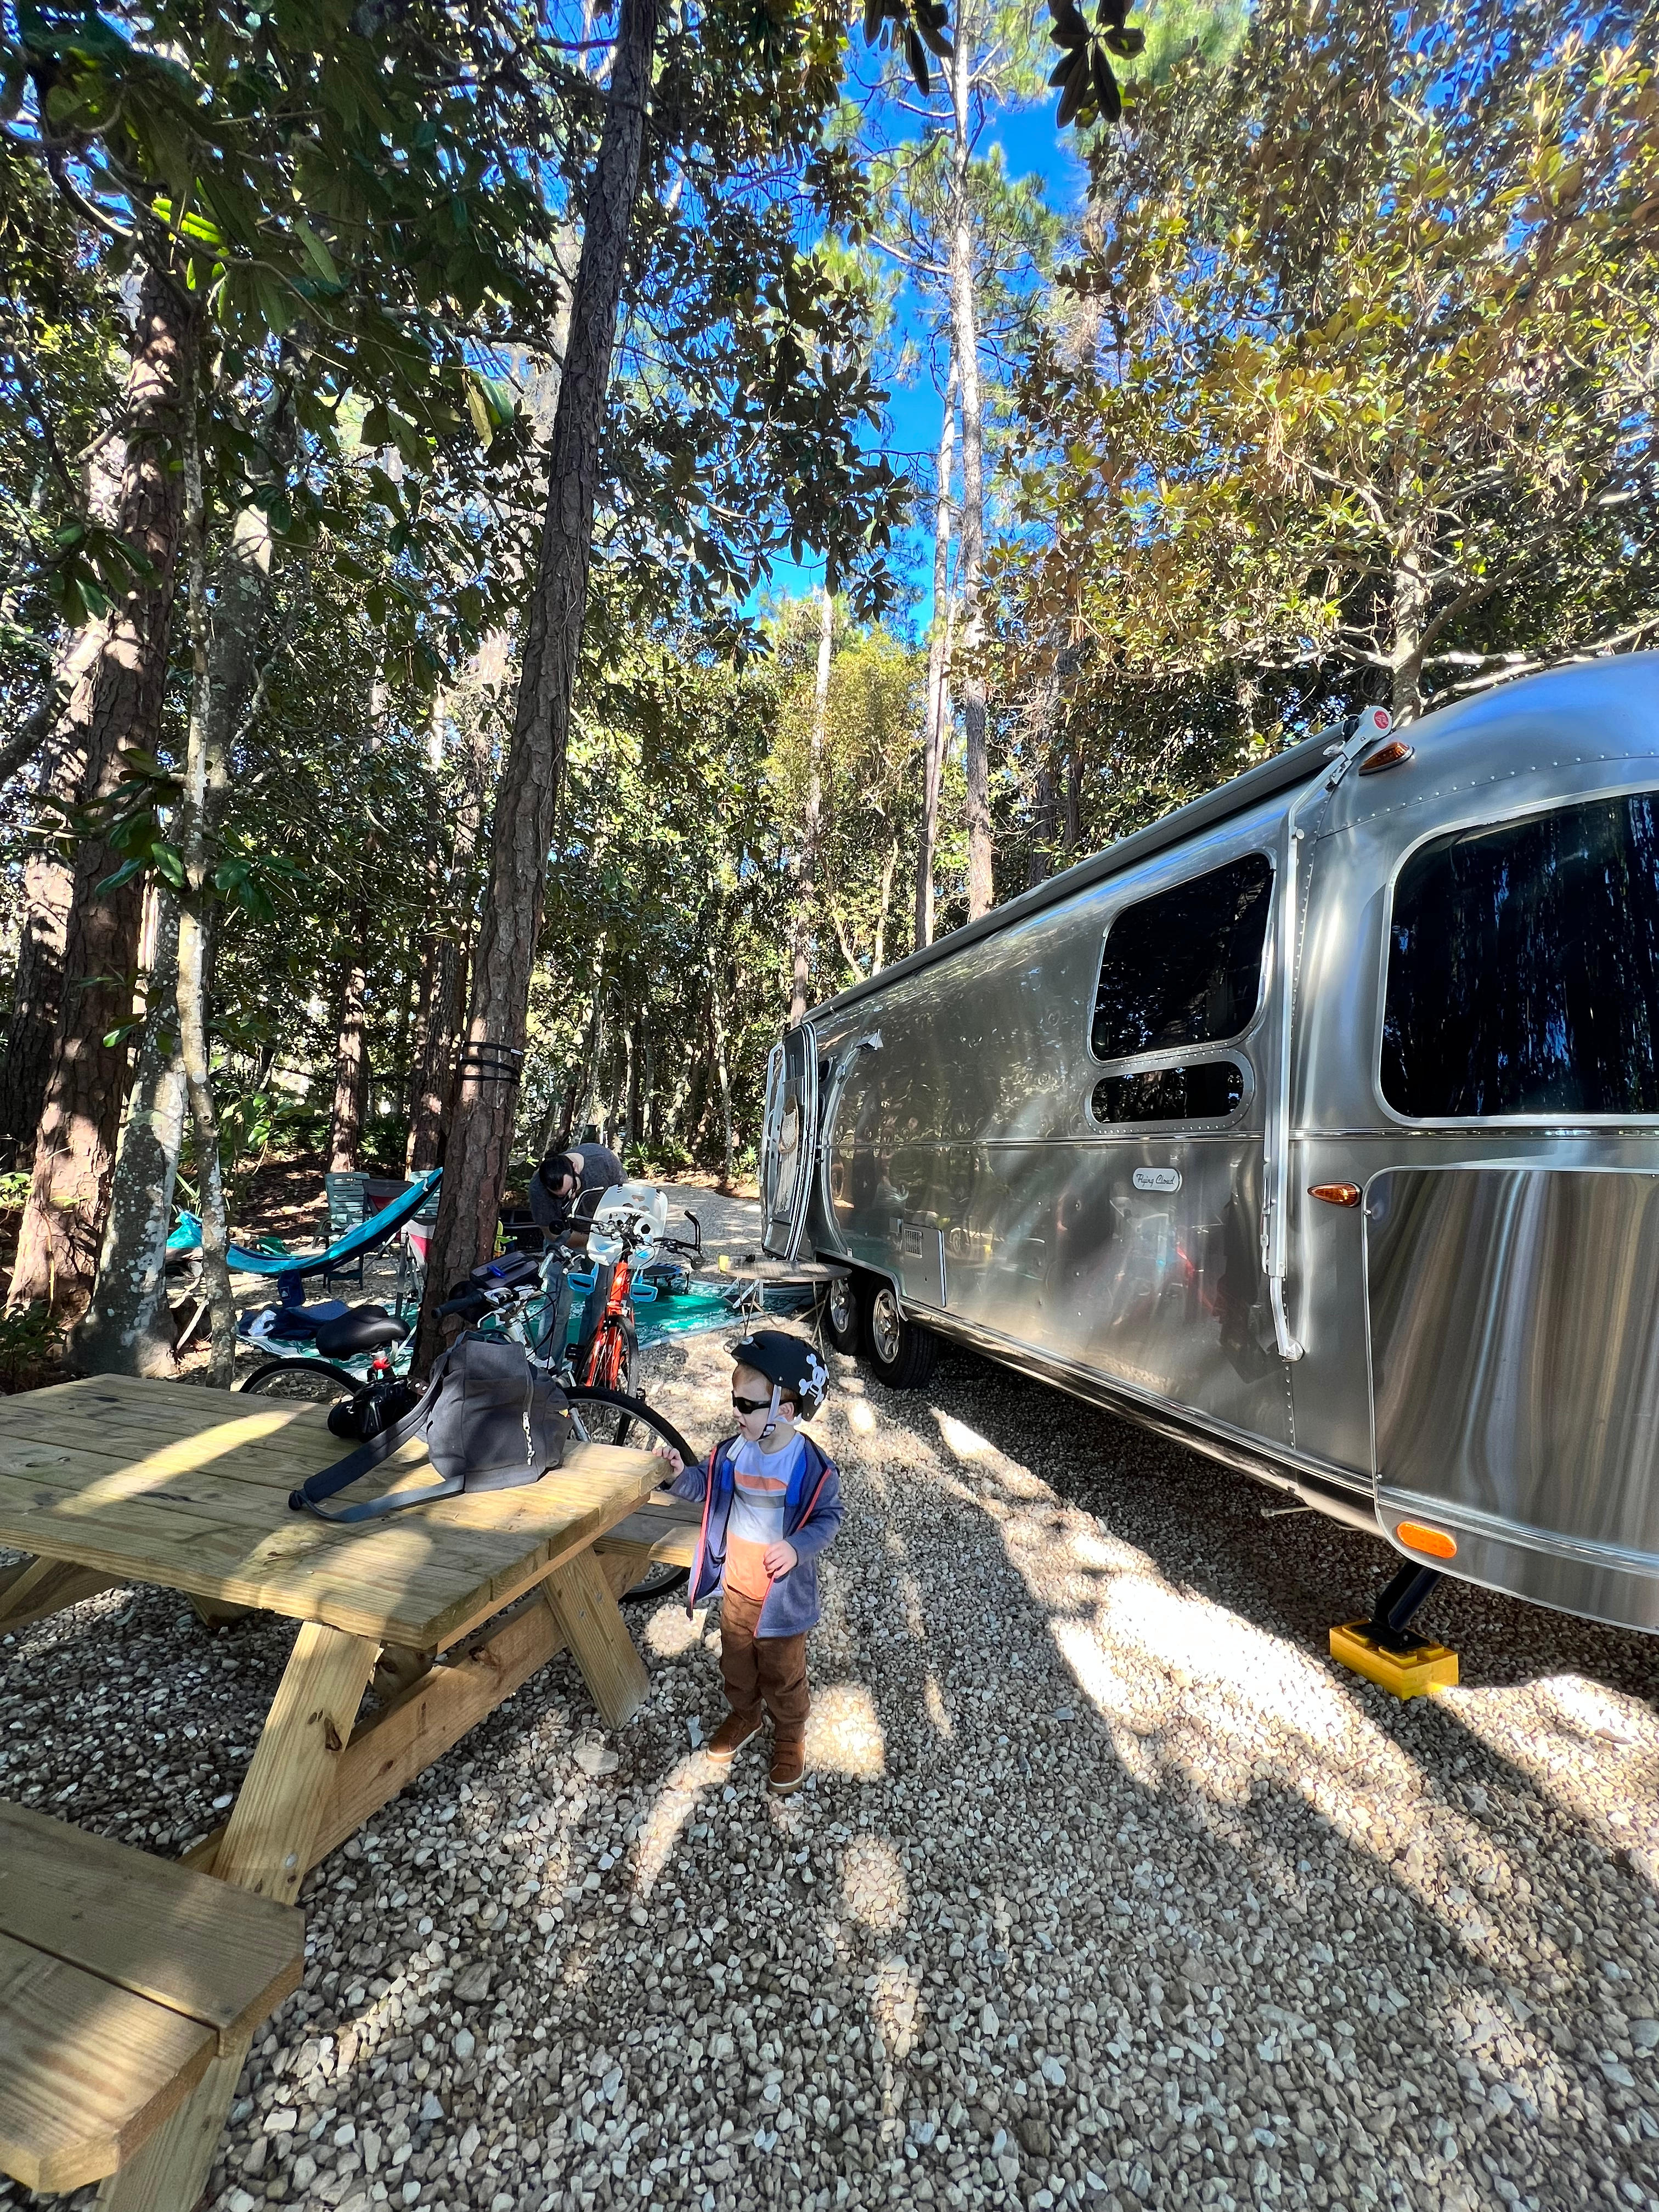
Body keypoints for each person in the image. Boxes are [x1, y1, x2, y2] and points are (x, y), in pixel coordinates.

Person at [658, 1329, 842, 1797]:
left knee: (783, 1673)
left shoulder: (809, 1466)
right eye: (734, 1401)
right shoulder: (735, 1451)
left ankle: (789, 1733)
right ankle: (745, 1715)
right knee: (736, 1664)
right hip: (737, 1587)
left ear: (784, 1411)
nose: (734, 1413)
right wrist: (682, 1475)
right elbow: (706, 1483)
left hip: (781, 1601)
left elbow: (828, 1517)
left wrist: (798, 1546)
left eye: (746, 1406)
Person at [529, 1139, 623, 1243]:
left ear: (575, 1168)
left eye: (572, 1188)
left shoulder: (604, 1160)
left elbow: (625, 1195)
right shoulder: (538, 1187)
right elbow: (552, 1233)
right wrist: (593, 1241)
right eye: (562, 1197)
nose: (572, 1196)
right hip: (566, 1240)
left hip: (607, 1234)